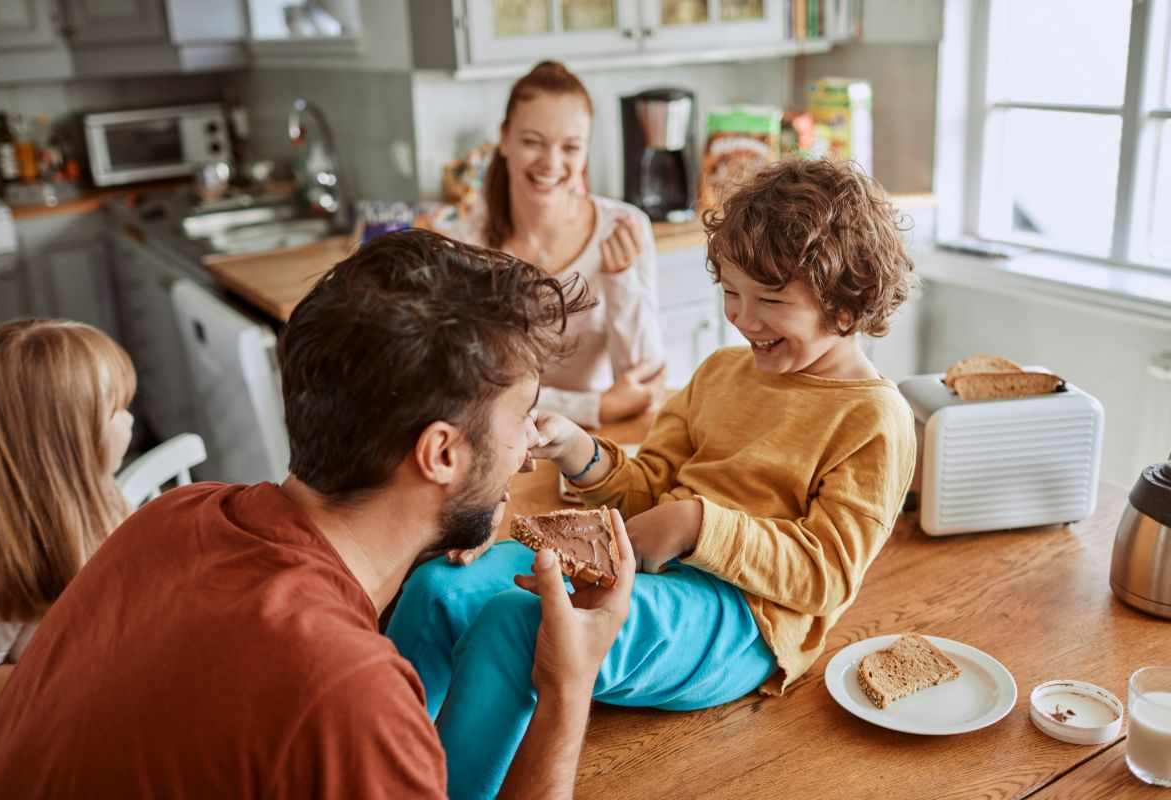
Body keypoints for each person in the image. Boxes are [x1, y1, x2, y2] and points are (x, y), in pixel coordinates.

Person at [0, 230, 637, 800]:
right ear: (440, 454)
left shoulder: (173, 517)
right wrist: (567, 688)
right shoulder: (350, 696)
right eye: (523, 417)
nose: (526, 452)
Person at [388, 158, 918, 799]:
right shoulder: (721, 373)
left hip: (744, 620)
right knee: (441, 586)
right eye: (731, 292)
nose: (743, 318)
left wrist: (697, 526)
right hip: (642, 571)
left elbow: (825, 575)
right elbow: (646, 492)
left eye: (771, 301)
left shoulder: (874, 418)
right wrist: (579, 450)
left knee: (520, 624)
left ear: (847, 304)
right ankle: (383, 773)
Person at [446, 60, 665, 429]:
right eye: (532, 142)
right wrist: (595, 407)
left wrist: (620, 279)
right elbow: (468, 388)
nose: (551, 163)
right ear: (504, 138)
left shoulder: (624, 227)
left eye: (571, 147)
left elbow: (644, 381)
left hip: (603, 438)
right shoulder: (465, 244)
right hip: (500, 445)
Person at [0, 320, 135, 744]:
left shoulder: (105, 495)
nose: (130, 419)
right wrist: (72, 671)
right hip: (27, 745)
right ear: (71, 441)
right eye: (117, 410)